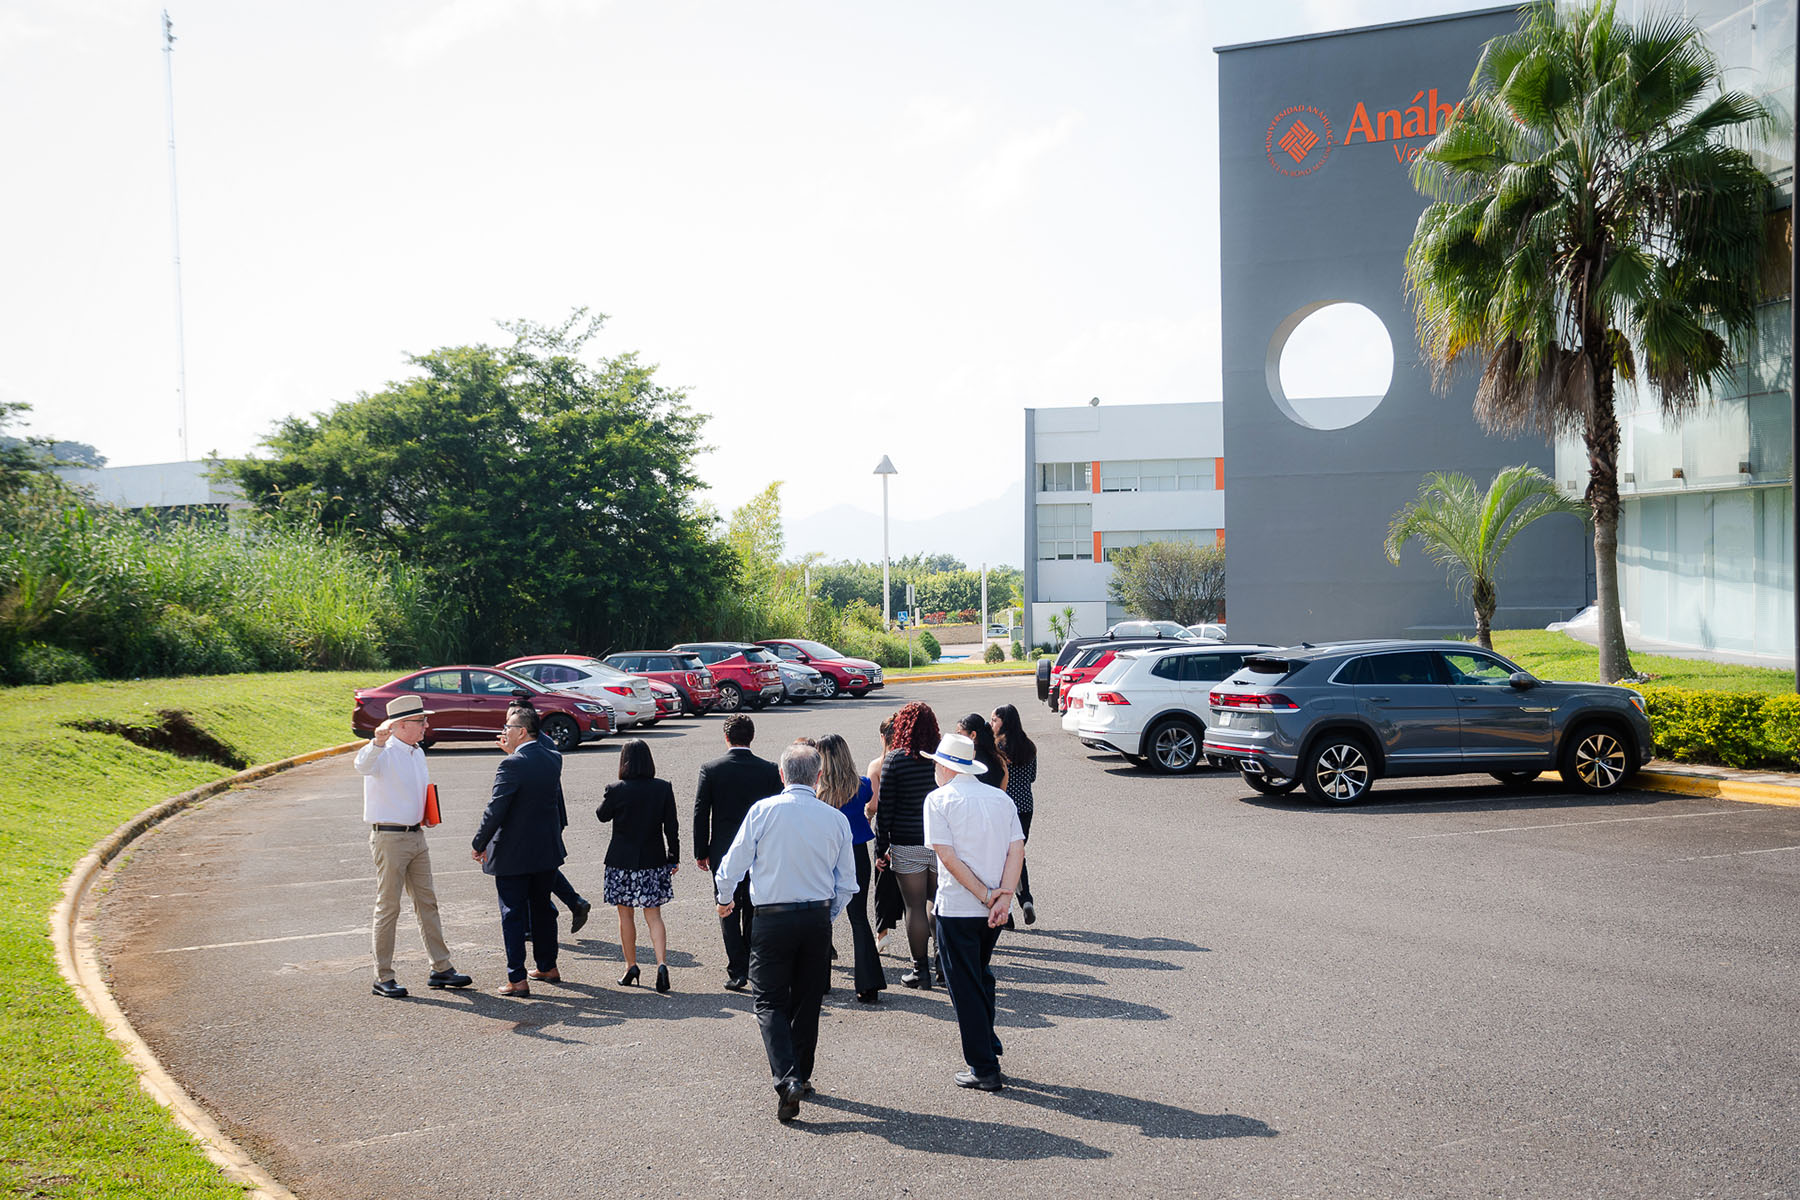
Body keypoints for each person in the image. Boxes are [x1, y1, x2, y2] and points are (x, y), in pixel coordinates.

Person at [714, 742, 856, 1123]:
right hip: (815, 917)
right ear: (819, 776)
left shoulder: (763, 811)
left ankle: (787, 1077)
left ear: (781, 775)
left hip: (772, 916)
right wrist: (828, 916)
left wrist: (725, 899)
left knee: (768, 1000)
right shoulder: (835, 819)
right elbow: (847, 884)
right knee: (808, 1000)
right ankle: (802, 1076)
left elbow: (732, 864)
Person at [923, 731, 1025, 1091]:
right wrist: (1003, 899)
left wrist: (986, 895)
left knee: (964, 985)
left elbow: (946, 857)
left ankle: (983, 1065)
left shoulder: (938, 800)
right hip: (994, 908)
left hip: (958, 907)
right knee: (980, 976)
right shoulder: (1000, 799)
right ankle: (988, 1047)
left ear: (944, 767)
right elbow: (1017, 851)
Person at [354, 695, 471, 999]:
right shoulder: (383, 751)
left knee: (427, 902)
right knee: (389, 906)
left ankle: (441, 967)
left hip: (416, 834)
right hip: (389, 837)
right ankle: (383, 976)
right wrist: (377, 740)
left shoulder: (416, 751)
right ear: (401, 725)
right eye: (421, 721)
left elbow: (418, 789)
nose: (426, 725)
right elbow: (361, 765)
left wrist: (427, 813)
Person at [471, 705, 569, 998]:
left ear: (522, 732)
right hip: (546, 849)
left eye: (508, 728)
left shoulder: (511, 765)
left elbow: (496, 809)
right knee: (543, 908)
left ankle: (517, 978)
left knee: (512, 914)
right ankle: (547, 965)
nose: (504, 732)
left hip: (514, 852)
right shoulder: (553, 757)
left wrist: (479, 843)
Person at [694, 715, 782, 991]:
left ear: (726, 737)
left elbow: (701, 812)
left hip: (723, 847)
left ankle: (737, 969)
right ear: (751, 737)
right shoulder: (769, 770)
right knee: (754, 906)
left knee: (727, 905)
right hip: (760, 847)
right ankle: (755, 963)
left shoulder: (711, 768)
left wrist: (701, 850)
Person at [597, 738, 680, 992]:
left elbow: (602, 815)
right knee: (654, 915)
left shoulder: (616, 789)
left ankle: (631, 966)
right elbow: (672, 826)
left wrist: (611, 794)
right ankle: (662, 964)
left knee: (625, 915)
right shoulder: (663, 788)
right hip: (653, 859)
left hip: (621, 861)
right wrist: (673, 857)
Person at [875, 702, 943, 989]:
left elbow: (885, 809)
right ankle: (944, 967)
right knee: (938, 903)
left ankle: (920, 971)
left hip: (905, 842)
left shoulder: (894, 760)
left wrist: (881, 849)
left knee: (913, 906)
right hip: (941, 843)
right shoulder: (943, 758)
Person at [814, 733, 884, 1004]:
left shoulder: (817, 791)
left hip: (825, 854)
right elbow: (870, 802)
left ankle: (820, 980)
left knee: (822, 916)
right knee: (858, 918)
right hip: (855, 854)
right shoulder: (861, 786)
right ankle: (868, 984)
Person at [990, 703, 1039, 925]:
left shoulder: (997, 747)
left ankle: (1007, 912)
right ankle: (1026, 898)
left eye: (994, 720)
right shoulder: (1029, 746)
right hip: (1026, 807)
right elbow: (1032, 777)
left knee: (1001, 858)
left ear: (1004, 722)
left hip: (1004, 807)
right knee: (1018, 855)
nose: (991, 724)